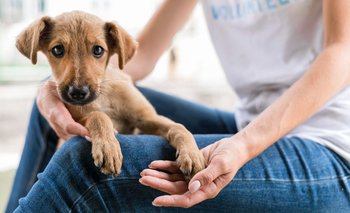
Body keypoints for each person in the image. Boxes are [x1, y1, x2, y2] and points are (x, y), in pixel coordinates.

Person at [6, 0, 350, 212]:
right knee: (50, 105)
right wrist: (54, 88)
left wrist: (243, 145)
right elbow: (138, 61)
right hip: (247, 121)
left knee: (82, 165)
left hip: (329, 144)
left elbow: (343, 52)